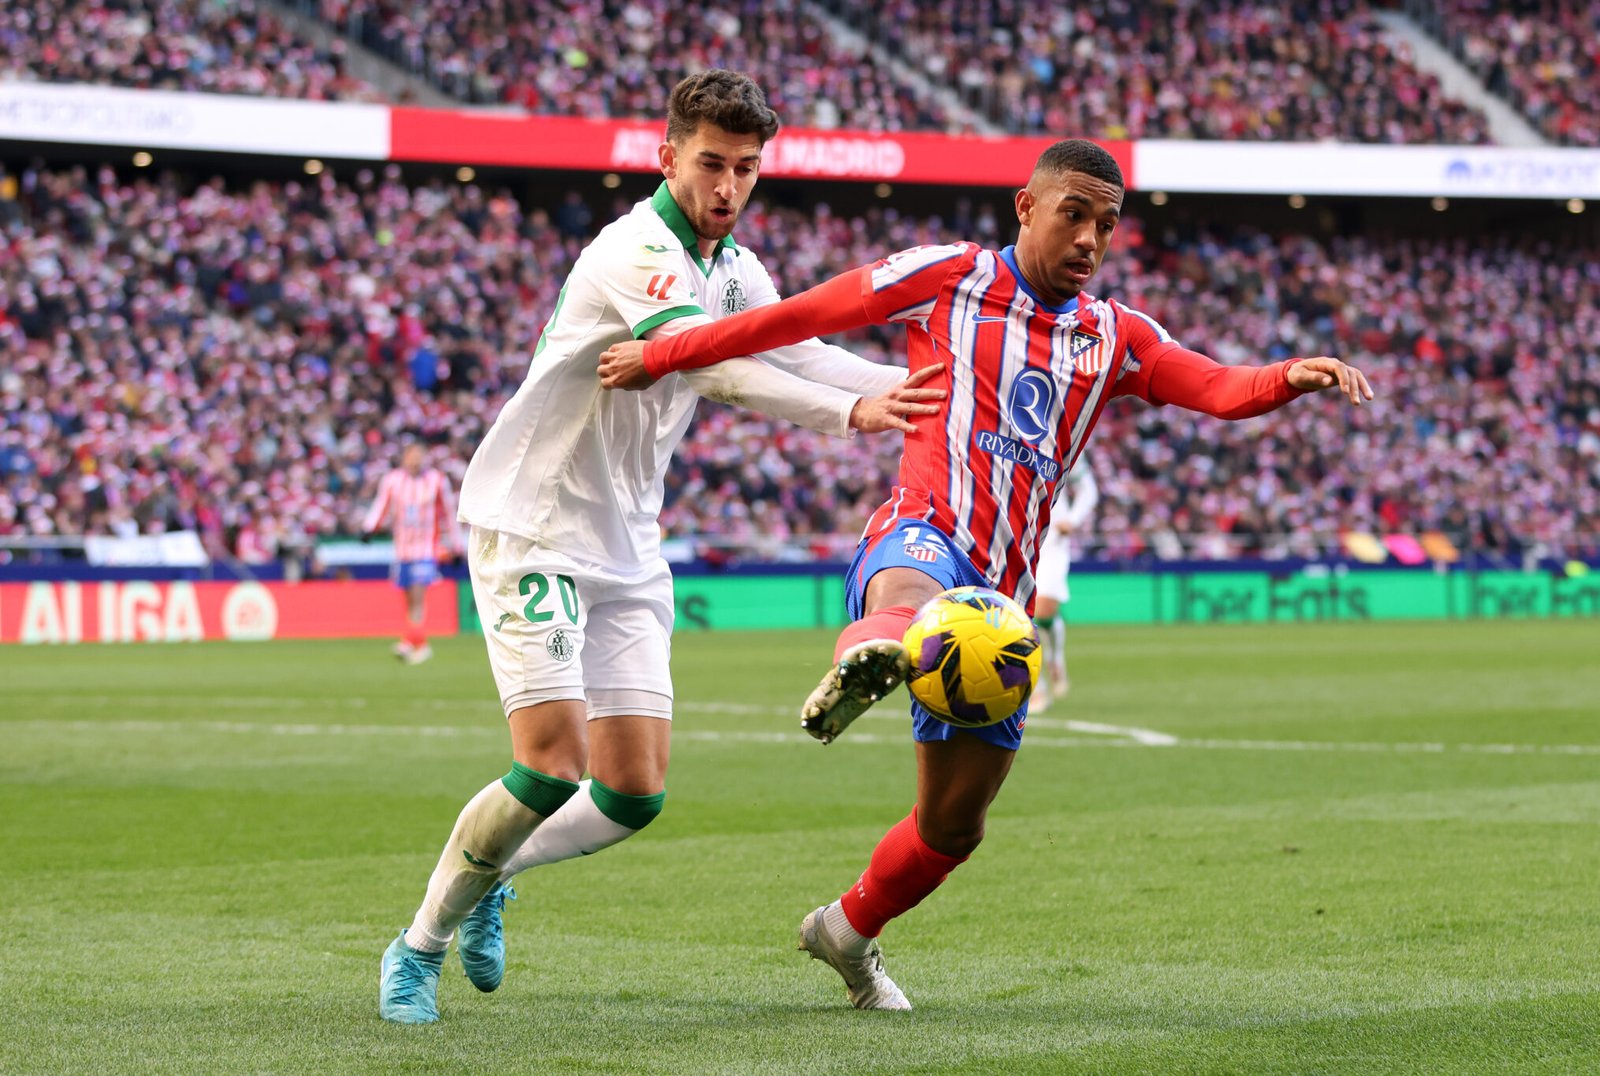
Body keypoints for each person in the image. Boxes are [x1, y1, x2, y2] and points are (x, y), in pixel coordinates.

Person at [598, 138, 1373, 1010]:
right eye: (1073, 214)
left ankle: (846, 934)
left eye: (1106, 225)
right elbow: (801, 317)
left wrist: (1288, 377)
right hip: (924, 532)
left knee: (953, 827)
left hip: (1001, 605)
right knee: (909, 601)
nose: (1089, 238)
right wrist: (665, 353)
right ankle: (870, 659)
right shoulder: (949, 275)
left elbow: (1217, 386)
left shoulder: (1115, 337)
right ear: (1026, 207)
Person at [377, 69, 944, 1025]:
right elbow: (718, 369)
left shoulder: (734, 266)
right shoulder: (634, 248)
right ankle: (416, 946)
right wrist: (857, 410)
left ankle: (492, 879)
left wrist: (928, 380)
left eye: (747, 168)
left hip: (629, 540)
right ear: (667, 154)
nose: (727, 186)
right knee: (550, 765)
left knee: (634, 792)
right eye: (712, 163)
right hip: (536, 526)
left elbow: (798, 350)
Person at [361, 442, 455, 665]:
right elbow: (381, 505)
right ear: (404, 458)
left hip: (425, 548)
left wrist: (455, 544)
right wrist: (369, 528)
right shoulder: (393, 480)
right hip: (402, 549)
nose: (415, 462)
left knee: (418, 594)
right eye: (411, 457)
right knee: (407, 597)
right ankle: (415, 641)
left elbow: (449, 512)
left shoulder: (437, 481)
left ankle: (414, 641)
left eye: (418, 457)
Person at [1029, 452, 1098, 709]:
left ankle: (1055, 657)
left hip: (1053, 540)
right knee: (1018, 614)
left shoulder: (1061, 439)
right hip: (1014, 532)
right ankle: (1035, 686)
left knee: (1043, 612)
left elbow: (1088, 489)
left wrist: (1073, 519)